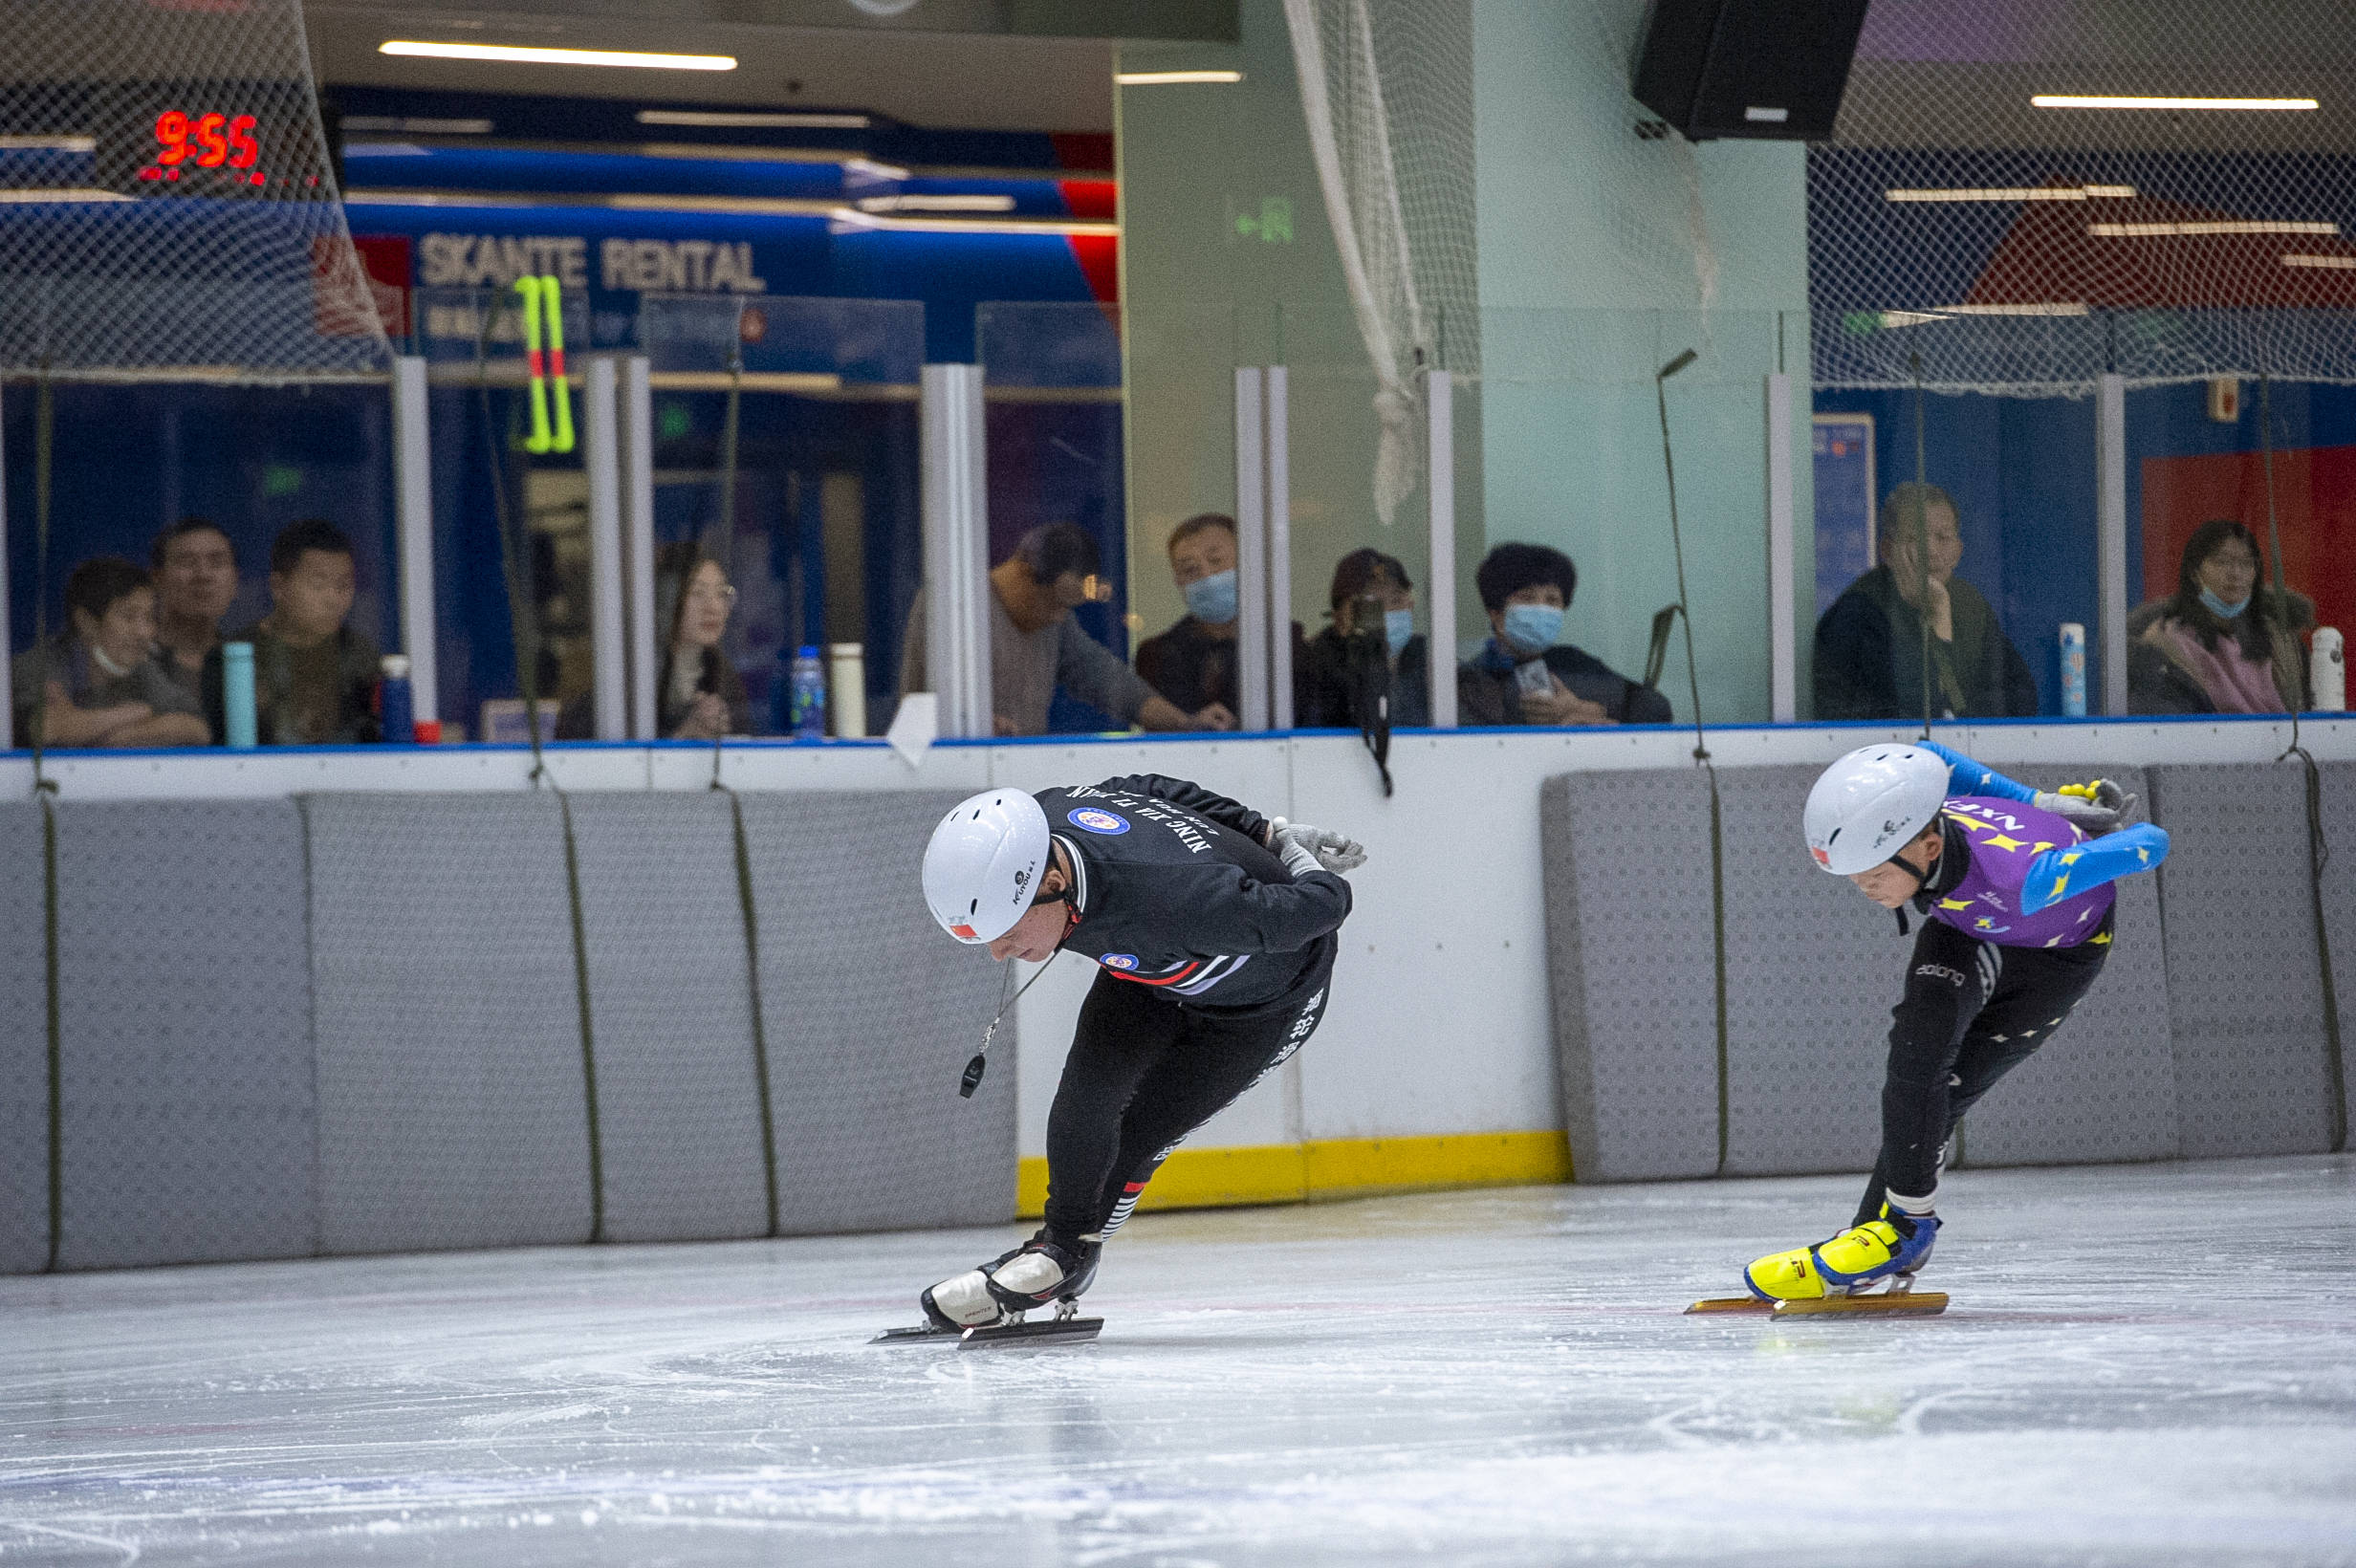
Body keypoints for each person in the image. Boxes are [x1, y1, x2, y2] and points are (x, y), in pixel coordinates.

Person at [910, 777, 1364, 1330]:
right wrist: (1261, 828)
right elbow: (1148, 789)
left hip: (1263, 1009)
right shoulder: (1046, 815)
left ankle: (1068, 1256)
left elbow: (1317, 910)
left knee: (1141, 1134)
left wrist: (1296, 858)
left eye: (1005, 931)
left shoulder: (1177, 897)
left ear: (1054, 881)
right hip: (1149, 970)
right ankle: (1060, 1249)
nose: (998, 953)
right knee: (1085, 1098)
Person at [1739, 742, 2170, 1303]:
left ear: (1929, 846)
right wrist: (2040, 801)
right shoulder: (1925, 809)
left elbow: (2153, 843)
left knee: (1954, 1087)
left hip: (2053, 962)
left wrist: (2093, 844)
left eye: (1871, 874)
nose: (1863, 889)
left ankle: (1899, 1233)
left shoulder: (2027, 880)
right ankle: (1887, 1233)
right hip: (1967, 927)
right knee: (1918, 1058)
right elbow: (1930, 755)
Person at [899, 522, 1223, 736]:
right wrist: (977, 727)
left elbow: (1106, 679)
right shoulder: (953, 605)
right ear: (1023, 573)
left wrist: (1184, 723)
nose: (1059, 618)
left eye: (1069, 609)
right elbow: (933, 701)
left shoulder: (1056, 621)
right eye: (1056, 604)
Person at [1814, 483, 2039, 722]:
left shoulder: (1972, 606)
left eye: (1943, 538)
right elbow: (1911, 711)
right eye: (1915, 537)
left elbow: (2019, 700)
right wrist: (1939, 620)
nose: (1931, 551)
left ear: (1958, 551)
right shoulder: (1857, 615)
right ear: (1887, 550)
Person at [202, 518, 380, 746]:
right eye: (319, 585)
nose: (333, 599)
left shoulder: (359, 654)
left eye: (343, 585)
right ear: (279, 587)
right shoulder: (233, 658)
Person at [1456, 542, 1669, 727]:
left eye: (1552, 601)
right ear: (1496, 615)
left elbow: (1656, 709)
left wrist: (1590, 711)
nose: (1541, 609)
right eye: (1527, 598)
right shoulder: (1474, 676)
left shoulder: (1574, 664)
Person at [11, 557, 210, 748]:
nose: (144, 632)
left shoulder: (140, 665)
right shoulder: (40, 665)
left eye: (149, 617)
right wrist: (136, 712)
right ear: (86, 622)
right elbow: (45, 730)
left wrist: (107, 733)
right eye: (128, 616)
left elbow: (198, 728)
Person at [2127, 518, 2313, 714]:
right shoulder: (2167, 643)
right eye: (2221, 562)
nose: (2235, 573)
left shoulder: (2282, 642)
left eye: (2246, 563)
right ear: (2194, 572)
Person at [1298, 547, 1430, 729]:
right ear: (1340, 618)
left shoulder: (1431, 663)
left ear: (1411, 603)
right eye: (1371, 606)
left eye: (1396, 601)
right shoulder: (1313, 674)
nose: (1386, 613)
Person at [1132, 513, 1243, 730]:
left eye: (1216, 561)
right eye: (1191, 569)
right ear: (1178, 581)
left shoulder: (1285, 647)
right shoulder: (1155, 656)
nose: (1207, 577)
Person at [149, 516, 239, 709]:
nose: (203, 575)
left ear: (235, 581)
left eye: (217, 562)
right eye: (187, 563)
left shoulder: (249, 662)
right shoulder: (131, 660)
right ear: (158, 579)